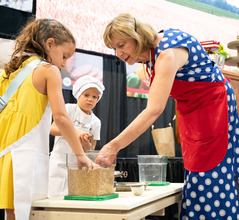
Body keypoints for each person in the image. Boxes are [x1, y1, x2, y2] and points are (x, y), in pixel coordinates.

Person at [95, 13, 239, 219]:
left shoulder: (167, 54)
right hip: (193, 112)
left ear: (137, 36)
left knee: (210, 172)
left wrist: (112, 146)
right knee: (195, 172)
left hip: (213, 109)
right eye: (114, 48)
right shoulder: (152, 54)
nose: (118, 53)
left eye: (122, 45)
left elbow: (154, 110)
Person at [0, 18, 95, 220]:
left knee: (13, 213)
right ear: (50, 44)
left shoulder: (10, 72)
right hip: (25, 154)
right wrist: (80, 154)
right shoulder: (48, 70)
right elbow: (60, 116)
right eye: (64, 56)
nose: (64, 63)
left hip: (6, 153)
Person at [48, 75, 105, 198]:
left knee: (74, 197)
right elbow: (52, 129)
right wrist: (75, 131)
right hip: (59, 161)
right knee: (55, 196)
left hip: (78, 166)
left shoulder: (96, 122)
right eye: (86, 95)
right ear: (78, 95)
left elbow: (90, 150)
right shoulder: (68, 109)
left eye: (94, 97)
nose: (90, 99)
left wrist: (85, 144)